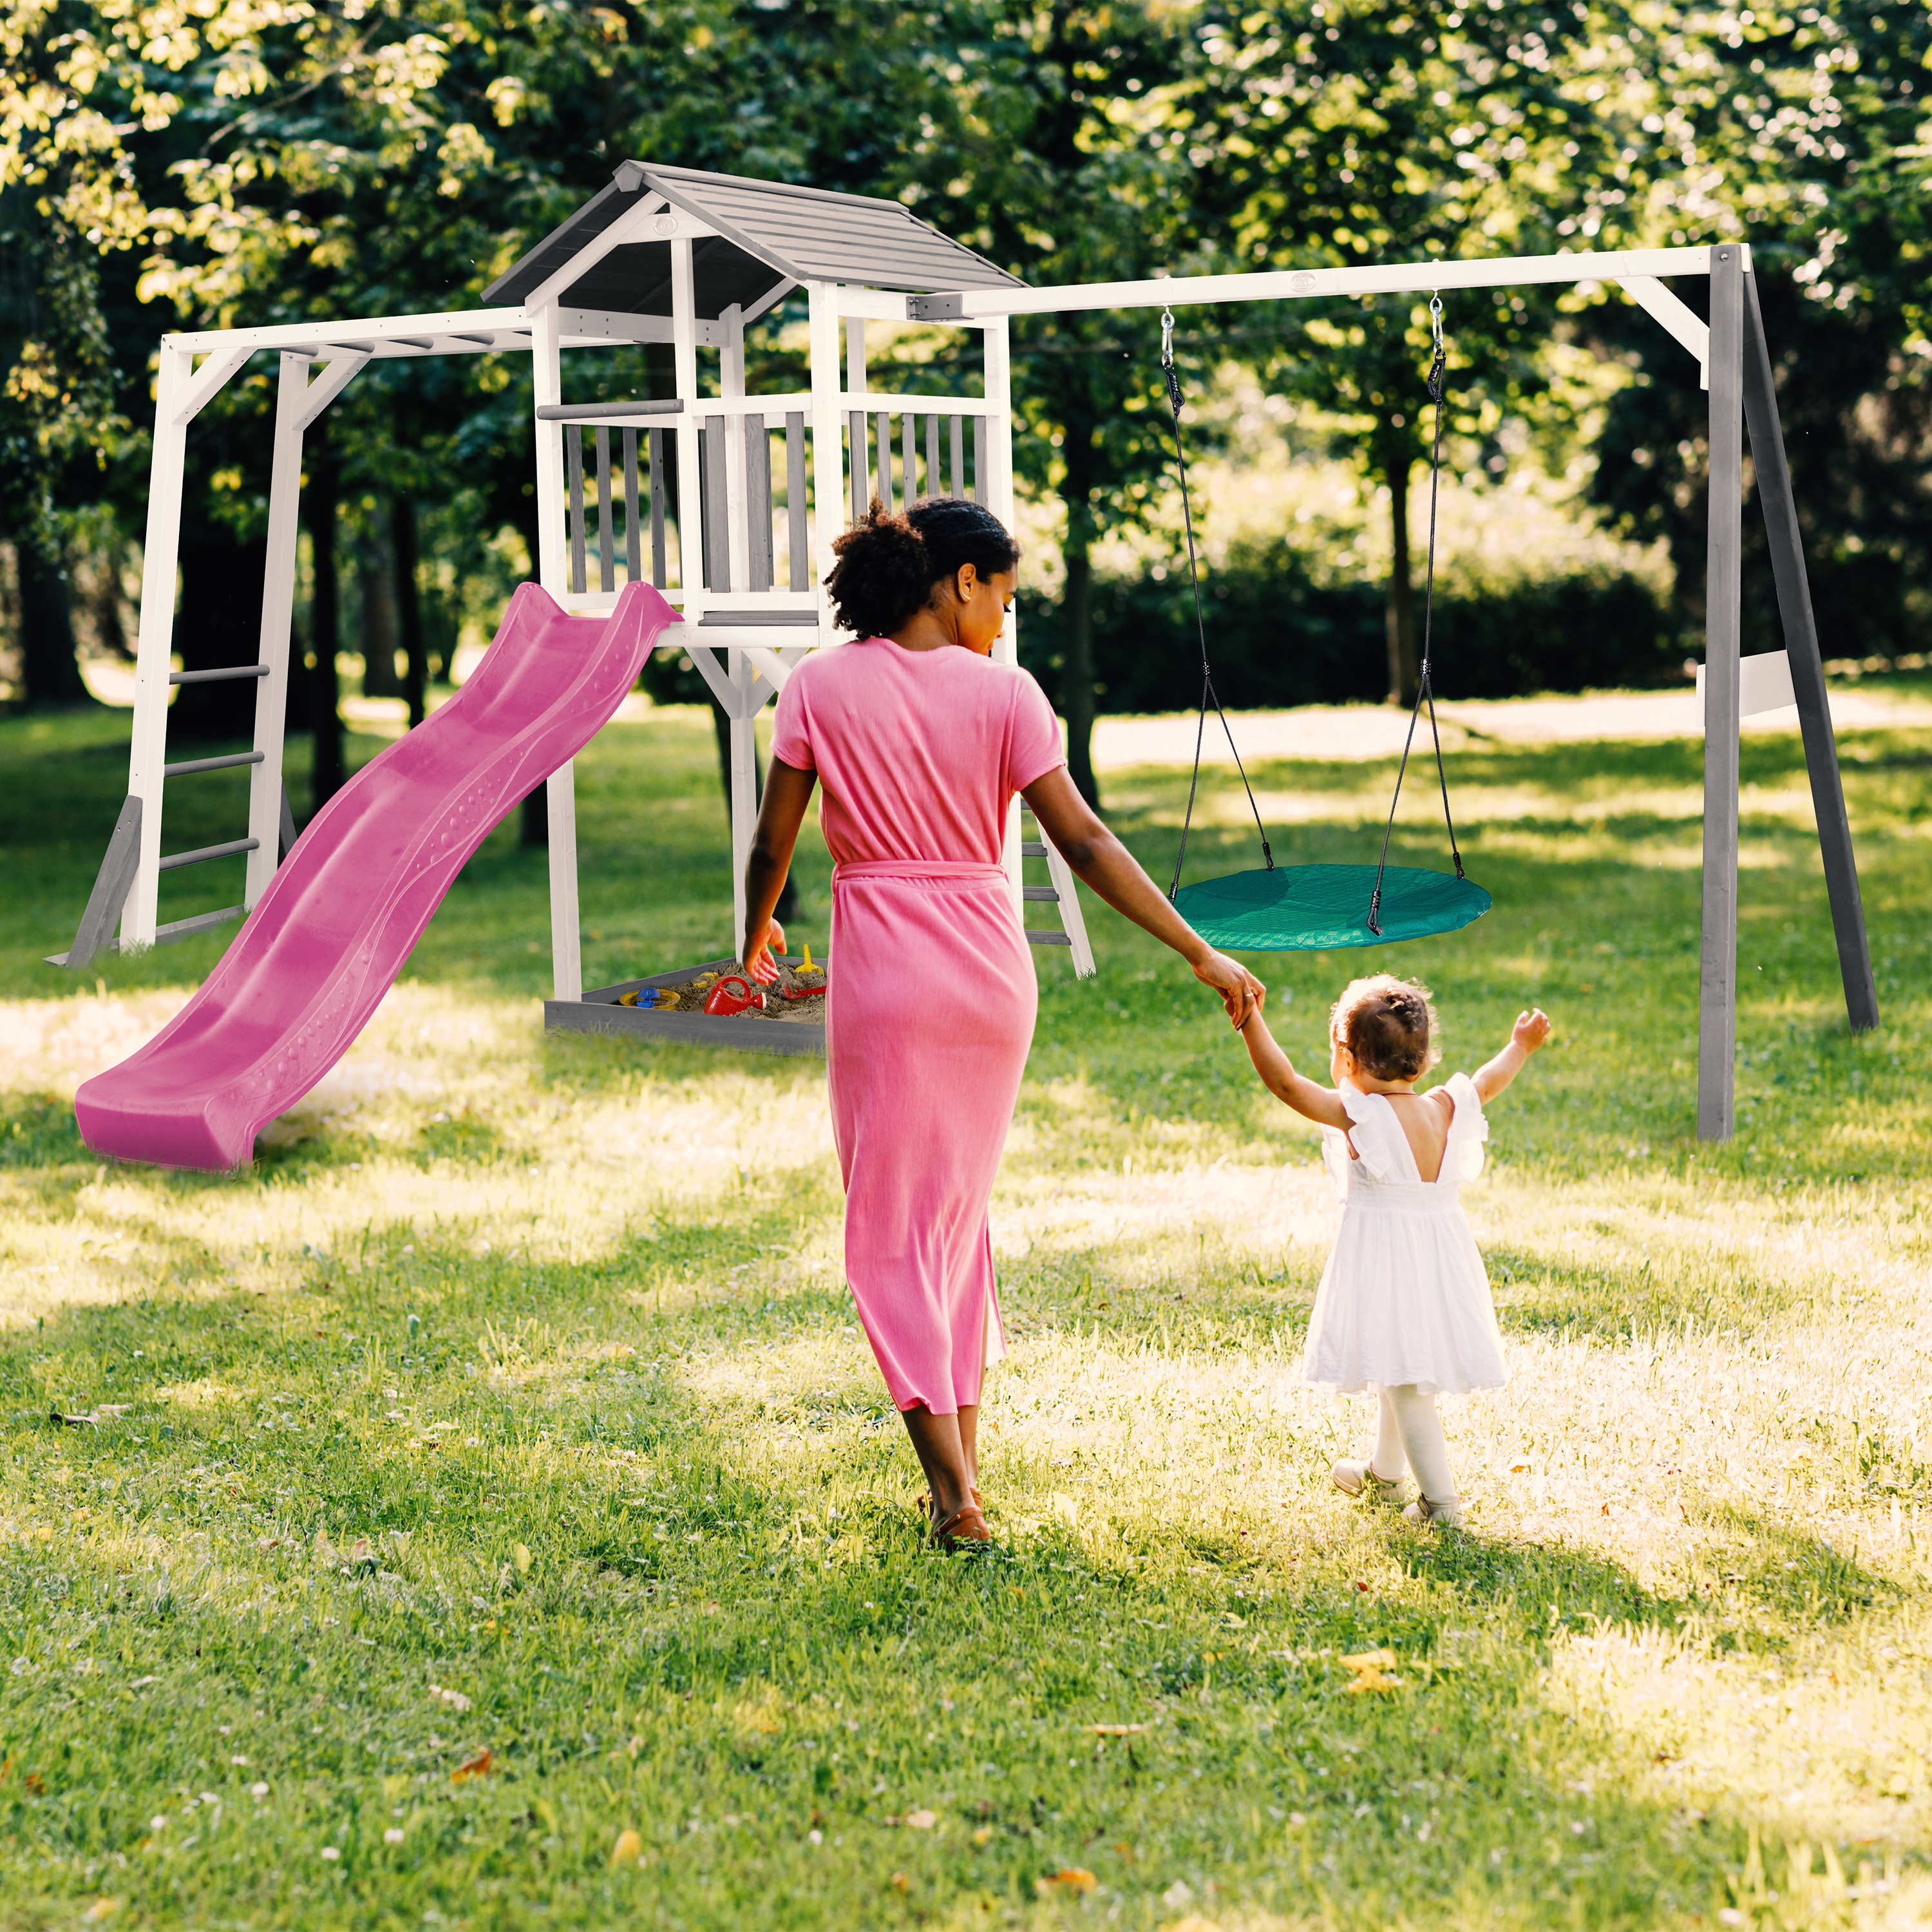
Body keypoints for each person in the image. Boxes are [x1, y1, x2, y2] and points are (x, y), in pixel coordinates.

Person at [741, 497, 1264, 1548]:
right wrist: (1197, 947)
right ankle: (964, 1475)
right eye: (1005, 597)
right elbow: (1084, 843)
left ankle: (953, 1496)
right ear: (960, 581)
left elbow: (773, 842)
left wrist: (751, 937)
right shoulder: (1008, 696)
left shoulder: (817, 686)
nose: (1006, 621)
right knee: (952, 1225)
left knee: (890, 1232)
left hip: (886, 974)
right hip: (989, 974)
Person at [1234, 974, 1551, 1527]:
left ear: (1347, 1058)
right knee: (1394, 1361)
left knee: (1406, 1384)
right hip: (1439, 1260)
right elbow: (1488, 1080)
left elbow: (1285, 1084)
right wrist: (1519, 1046)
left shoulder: (1361, 1115)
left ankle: (1441, 1505)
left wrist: (1249, 1019)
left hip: (1389, 1262)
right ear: (1423, 1062)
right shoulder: (1445, 1107)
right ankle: (1384, 1475)